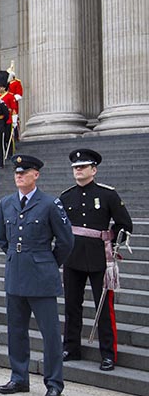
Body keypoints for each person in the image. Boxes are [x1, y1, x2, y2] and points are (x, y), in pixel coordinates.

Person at [0, 155, 74, 396]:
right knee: (16, 331)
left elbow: (66, 241)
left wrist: (47, 262)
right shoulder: (6, 203)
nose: (19, 175)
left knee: (50, 334)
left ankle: (53, 384)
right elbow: (2, 239)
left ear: (36, 175)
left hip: (41, 277)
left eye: (25, 172)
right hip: (16, 274)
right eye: (17, 172)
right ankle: (19, 376)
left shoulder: (51, 204)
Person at [61, 149, 133, 372]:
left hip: (100, 259)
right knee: (72, 305)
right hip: (73, 258)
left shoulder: (108, 195)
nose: (78, 170)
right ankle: (71, 347)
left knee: (104, 308)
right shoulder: (65, 196)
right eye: (75, 167)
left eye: (82, 166)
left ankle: (108, 354)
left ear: (94, 169)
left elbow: (125, 224)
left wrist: (114, 242)